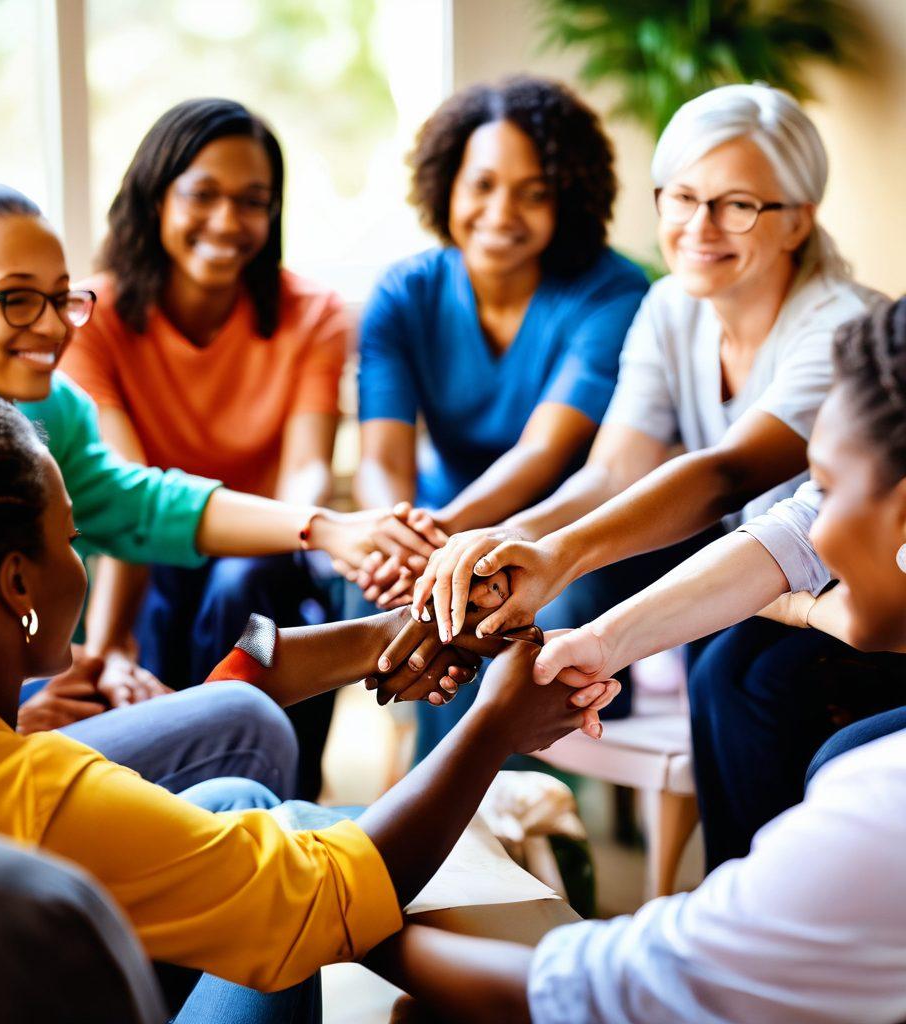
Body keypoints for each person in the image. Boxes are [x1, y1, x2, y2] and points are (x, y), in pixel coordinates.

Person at [0, 381, 609, 1023]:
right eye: (73, 539)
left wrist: (387, 630)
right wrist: (491, 727)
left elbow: (224, 698)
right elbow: (324, 902)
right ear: (18, 585)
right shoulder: (45, 795)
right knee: (295, 855)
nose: (83, 558)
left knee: (237, 797)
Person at [366, 298, 906, 1024]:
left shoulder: (881, 797)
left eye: (830, 490)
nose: (818, 521)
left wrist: (348, 915)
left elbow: (639, 990)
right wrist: (601, 636)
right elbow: (791, 534)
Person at [0, 167, 440, 794]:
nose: (53, 327)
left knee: (245, 662)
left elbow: (138, 503)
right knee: (242, 723)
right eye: (17, 298)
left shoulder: (56, 408)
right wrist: (8, 724)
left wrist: (326, 529)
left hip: (81, 661)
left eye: (62, 299)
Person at [412, 83, 883, 728]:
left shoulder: (842, 329)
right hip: (750, 559)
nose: (699, 227)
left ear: (798, 221)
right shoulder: (669, 306)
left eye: (737, 205)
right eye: (683, 198)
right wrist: (517, 537)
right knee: (561, 593)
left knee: (736, 671)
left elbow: (728, 473)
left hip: (839, 582)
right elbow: (613, 472)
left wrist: (554, 550)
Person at [59, 99, 352, 797]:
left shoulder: (314, 315)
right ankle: (173, 786)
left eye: (252, 201)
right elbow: (127, 489)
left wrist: (293, 529)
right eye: (203, 195)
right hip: (144, 555)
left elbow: (308, 468)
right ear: (155, 197)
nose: (227, 222)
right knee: (166, 583)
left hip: (263, 559)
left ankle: (269, 789)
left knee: (245, 588)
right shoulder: (91, 317)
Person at [353, 74, 648, 753]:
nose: (501, 211)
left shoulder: (611, 292)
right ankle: (455, 795)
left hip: (566, 534)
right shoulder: (404, 293)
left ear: (568, 198)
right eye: (481, 185)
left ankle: (483, 798)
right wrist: (397, 535)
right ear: (446, 186)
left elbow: (545, 452)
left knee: (479, 605)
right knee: (379, 589)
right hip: (439, 521)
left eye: (533, 192)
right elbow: (381, 459)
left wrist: (446, 544)